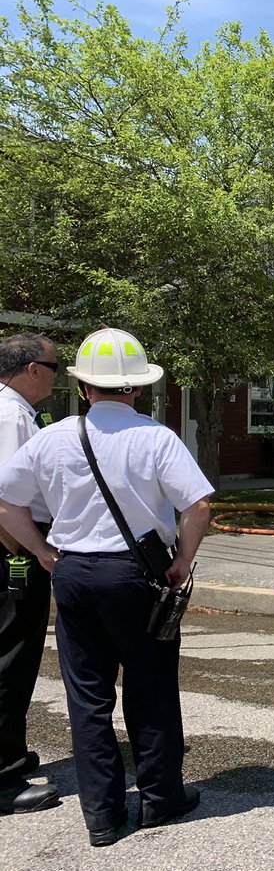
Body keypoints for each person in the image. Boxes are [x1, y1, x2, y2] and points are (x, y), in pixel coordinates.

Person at [0, 327, 213, 847]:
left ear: (84, 387)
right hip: (138, 572)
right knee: (152, 685)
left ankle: (101, 815)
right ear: (137, 388)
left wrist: (43, 553)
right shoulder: (156, 437)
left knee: (88, 694)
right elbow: (198, 505)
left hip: (73, 570)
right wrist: (183, 559)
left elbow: (6, 501)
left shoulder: (52, 437)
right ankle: (160, 799)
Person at [0, 334, 61, 817]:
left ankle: (11, 755)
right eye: (55, 367)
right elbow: (6, 499)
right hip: (11, 548)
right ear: (31, 369)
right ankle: (3, 779)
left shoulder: (13, 411)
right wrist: (30, 551)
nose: (58, 377)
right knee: (10, 658)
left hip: (14, 544)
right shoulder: (10, 415)